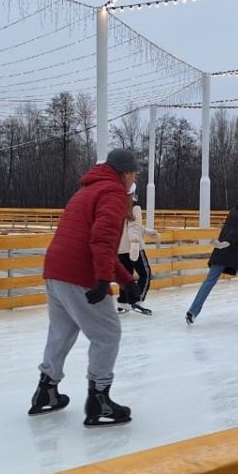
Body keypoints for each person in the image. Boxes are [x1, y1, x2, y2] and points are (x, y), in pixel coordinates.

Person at [29, 148, 140, 427]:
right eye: (134, 174)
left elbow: (94, 241)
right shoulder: (113, 193)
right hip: (80, 273)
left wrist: (126, 280)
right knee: (107, 335)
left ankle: (46, 391)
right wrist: (103, 279)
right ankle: (99, 400)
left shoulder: (86, 191)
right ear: (126, 173)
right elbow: (101, 240)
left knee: (62, 332)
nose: (133, 179)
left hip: (55, 271)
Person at [186, 183, 238, 326]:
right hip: (237, 251)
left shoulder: (235, 209)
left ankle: (192, 311)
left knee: (210, 280)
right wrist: (227, 242)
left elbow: (237, 230)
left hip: (223, 249)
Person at [117, 191, 159, 315]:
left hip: (120, 248)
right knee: (145, 274)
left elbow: (134, 225)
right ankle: (137, 299)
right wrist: (135, 243)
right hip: (134, 247)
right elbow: (133, 227)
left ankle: (123, 301)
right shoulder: (135, 207)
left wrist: (148, 231)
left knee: (126, 276)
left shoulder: (118, 206)